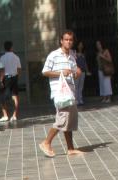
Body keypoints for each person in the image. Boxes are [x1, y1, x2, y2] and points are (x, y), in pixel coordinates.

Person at [39, 30, 83, 158]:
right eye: (66, 39)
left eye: (70, 40)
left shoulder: (72, 57)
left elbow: (73, 74)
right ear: (61, 41)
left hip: (70, 92)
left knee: (69, 120)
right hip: (59, 93)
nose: (68, 42)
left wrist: (77, 74)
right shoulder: (54, 55)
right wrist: (61, 73)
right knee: (63, 118)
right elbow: (45, 72)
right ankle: (46, 142)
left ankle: (70, 148)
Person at [0, 41, 22, 121]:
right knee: (15, 96)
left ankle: (5, 115)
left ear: (4, 48)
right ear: (11, 47)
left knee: (2, 97)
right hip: (14, 77)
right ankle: (14, 115)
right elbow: (19, 69)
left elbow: (2, 70)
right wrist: (17, 76)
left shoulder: (2, 58)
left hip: (6, 78)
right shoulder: (16, 57)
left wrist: (1, 80)